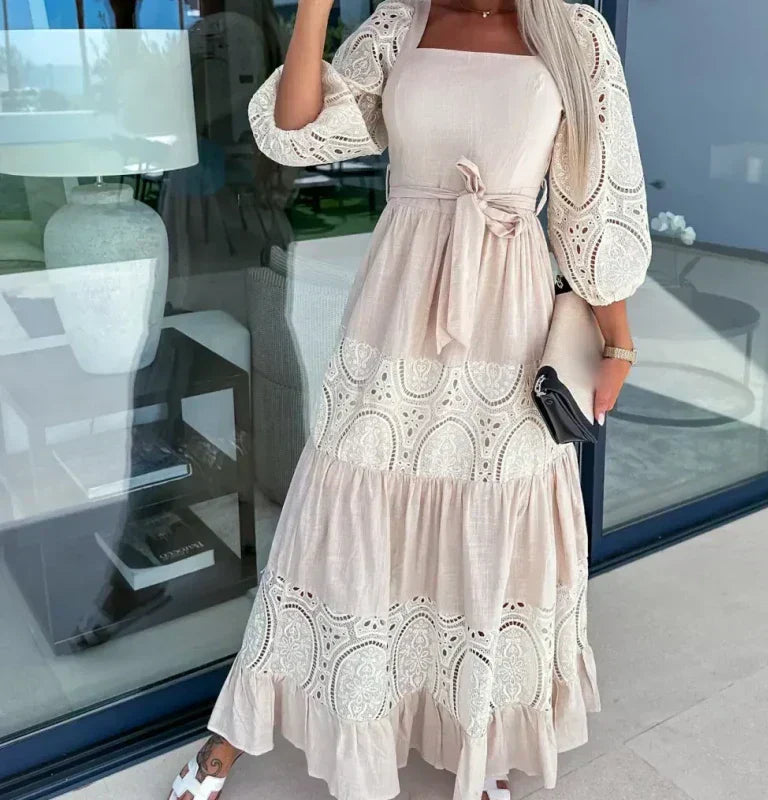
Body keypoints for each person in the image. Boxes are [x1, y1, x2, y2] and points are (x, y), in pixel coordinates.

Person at [168, 0, 651, 797]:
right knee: (341, 507)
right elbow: (295, 131)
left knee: (490, 512)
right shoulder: (401, 22)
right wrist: (316, 7)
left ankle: (478, 739)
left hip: (508, 317)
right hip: (395, 306)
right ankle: (237, 727)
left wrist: (618, 339)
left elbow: (592, 204)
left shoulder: (573, 32)